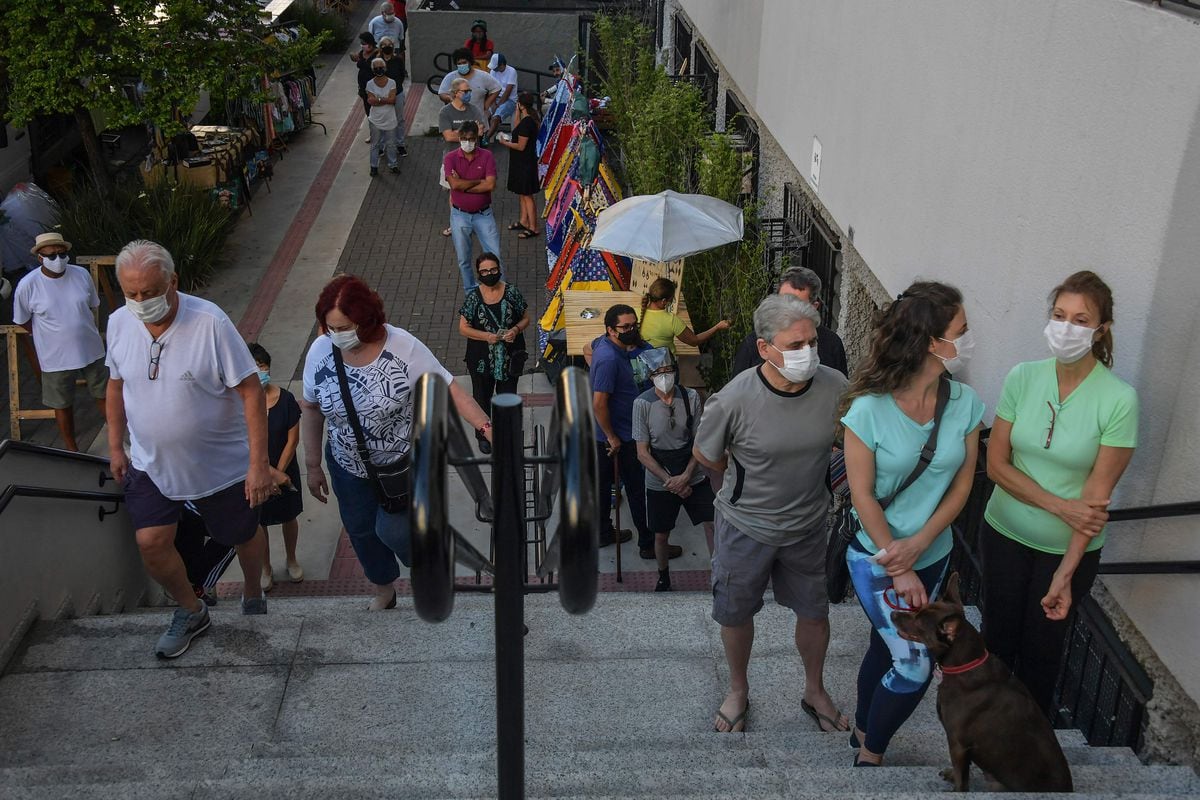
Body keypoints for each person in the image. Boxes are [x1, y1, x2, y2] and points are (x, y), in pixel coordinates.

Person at [105, 240, 285, 658]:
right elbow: (116, 385)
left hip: (218, 468)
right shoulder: (118, 323)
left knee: (240, 533)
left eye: (149, 292)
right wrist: (116, 447)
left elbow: (250, 391)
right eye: (131, 293)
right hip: (150, 464)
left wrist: (258, 465)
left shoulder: (210, 322)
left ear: (173, 282)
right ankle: (191, 609)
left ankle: (253, 592)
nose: (140, 302)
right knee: (151, 542)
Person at [839, 281, 985, 765]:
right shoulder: (869, 410)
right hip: (877, 558)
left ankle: (862, 729)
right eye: (961, 331)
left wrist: (921, 544)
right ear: (930, 342)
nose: (968, 339)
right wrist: (899, 564)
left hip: (932, 554)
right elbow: (861, 494)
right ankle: (871, 755)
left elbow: (962, 486)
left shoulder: (964, 403)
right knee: (914, 664)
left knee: (885, 651)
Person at [692, 294, 849, 734]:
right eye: (795, 345)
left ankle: (814, 690)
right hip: (746, 527)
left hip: (808, 526)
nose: (808, 354)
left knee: (816, 613)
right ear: (765, 348)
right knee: (736, 613)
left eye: (812, 342)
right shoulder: (733, 399)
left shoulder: (836, 386)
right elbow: (707, 456)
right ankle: (738, 689)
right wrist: (747, 485)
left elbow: (846, 440)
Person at [982, 271, 1137, 715]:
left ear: (1101, 329)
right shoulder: (1023, 377)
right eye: (1058, 315)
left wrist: (1065, 575)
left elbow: (1095, 499)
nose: (1066, 328)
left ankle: (1027, 753)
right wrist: (1059, 505)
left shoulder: (1119, 400)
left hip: (1065, 554)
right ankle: (986, 735)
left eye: (1080, 319)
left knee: (1042, 653)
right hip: (1002, 535)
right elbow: (996, 465)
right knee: (996, 643)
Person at [301, 276, 493, 611]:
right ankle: (384, 588)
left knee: (394, 531)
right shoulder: (320, 351)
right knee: (360, 531)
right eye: (329, 327)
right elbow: (311, 408)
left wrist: (487, 428)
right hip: (346, 465)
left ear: (367, 320)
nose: (336, 334)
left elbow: (451, 391)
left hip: (400, 464)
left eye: (344, 326)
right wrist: (313, 463)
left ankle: (427, 565)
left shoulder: (402, 346)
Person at [590, 304, 682, 561]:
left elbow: (589, 348)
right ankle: (648, 544)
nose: (631, 330)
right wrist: (612, 437)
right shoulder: (609, 359)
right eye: (625, 327)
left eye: (634, 325)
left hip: (608, 432)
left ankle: (603, 532)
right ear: (611, 330)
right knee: (637, 489)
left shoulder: (604, 345)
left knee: (602, 486)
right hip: (620, 435)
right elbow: (599, 402)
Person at [11, 232, 107, 452]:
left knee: (104, 394)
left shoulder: (81, 274)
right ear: (39, 258)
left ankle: (120, 435)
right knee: (62, 404)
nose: (58, 260)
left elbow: (92, 304)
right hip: (55, 357)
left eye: (62, 254)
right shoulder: (28, 285)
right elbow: (23, 321)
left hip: (91, 349)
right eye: (51, 256)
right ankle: (71, 449)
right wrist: (50, 336)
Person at [633, 348, 714, 592]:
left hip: (692, 472)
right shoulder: (642, 403)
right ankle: (663, 575)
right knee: (660, 533)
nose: (664, 376)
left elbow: (700, 441)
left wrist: (687, 476)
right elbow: (642, 452)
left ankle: (721, 569)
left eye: (668, 370)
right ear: (650, 376)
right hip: (661, 477)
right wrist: (671, 481)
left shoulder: (690, 397)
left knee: (713, 523)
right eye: (659, 372)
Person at [458, 253, 530, 455]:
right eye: (484, 271)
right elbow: (463, 328)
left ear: (499, 269)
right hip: (481, 358)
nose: (489, 274)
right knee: (482, 396)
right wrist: (485, 336)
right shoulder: (474, 297)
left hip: (510, 357)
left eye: (493, 270)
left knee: (508, 397)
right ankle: (483, 435)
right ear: (479, 274)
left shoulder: (512, 292)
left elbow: (526, 318)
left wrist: (515, 330)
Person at [248, 343, 304, 592]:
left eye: (261, 366)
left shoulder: (286, 399)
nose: (259, 371)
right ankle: (266, 568)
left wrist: (279, 474)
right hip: (256, 473)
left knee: (288, 516)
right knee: (260, 522)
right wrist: (269, 475)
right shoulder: (241, 404)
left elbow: (293, 440)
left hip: (285, 472)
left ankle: (292, 559)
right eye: (253, 367)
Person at [732, 266, 848, 377]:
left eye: (797, 305)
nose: (787, 308)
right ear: (763, 348)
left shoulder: (832, 344)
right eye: (783, 301)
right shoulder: (754, 343)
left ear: (814, 307)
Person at [444, 121, 502, 292]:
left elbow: (490, 185)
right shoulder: (450, 158)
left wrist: (464, 183)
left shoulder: (487, 156)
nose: (467, 142)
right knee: (463, 258)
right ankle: (471, 291)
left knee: (495, 255)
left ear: (477, 138)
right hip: (459, 215)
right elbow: (454, 185)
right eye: (463, 139)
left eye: (470, 139)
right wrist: (478, 181)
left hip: (483, 214)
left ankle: (499, 290)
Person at [438, 79, 488, 238]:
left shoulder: (474, 110)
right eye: (465, 91)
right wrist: (469, 132)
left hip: (474, 160)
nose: (469, 94)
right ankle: (456, 224)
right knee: (454, 194)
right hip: (453, 161)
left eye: (469, 91)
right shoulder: (445, 112)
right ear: (455, 93)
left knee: (473, 192)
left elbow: (480, 132)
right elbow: (448, 136)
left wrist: (457, 133)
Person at [638, 277, 730, 355]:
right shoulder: (671, 320)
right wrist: (717, 327)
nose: (671, 302)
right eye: (671, 300)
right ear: (664, 301)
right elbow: (695, 341)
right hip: (664, 369)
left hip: (641, 365)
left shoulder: (636, 313)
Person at [497, 91, 541, 238]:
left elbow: (520, 146)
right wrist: (517, 111)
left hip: (524, 164)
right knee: (522, 193)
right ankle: (524, 221)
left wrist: (505, 143)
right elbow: (516, 128)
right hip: (522, 163)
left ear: (521, 104)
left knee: (527, 195)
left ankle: (533, 227)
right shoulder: (528, 120)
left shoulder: (527, 124)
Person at [437, 48, 500, 122]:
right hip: (457, 121)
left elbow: (497, 88)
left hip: (478, 121)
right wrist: (451, 99)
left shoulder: (483, 76)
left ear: (470, 62)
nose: (462, 65)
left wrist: (486, 105)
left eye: (464, 62)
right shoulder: (450, 77)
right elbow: (442, 93)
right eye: (459, 64)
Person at [365, 57, 399, 177]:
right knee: (375, 144)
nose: (379, 69)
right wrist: (385, 99)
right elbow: (370, 101)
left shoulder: (392, 82)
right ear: (373, 69)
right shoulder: (369, 84)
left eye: (381, 67)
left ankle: (393, 165)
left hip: (389, 118)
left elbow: (392, 100)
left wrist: (378, 99)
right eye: (376, 68)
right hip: (375, 119)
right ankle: (373, 167)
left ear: (385, 68)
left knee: (391, 143)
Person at [378, 36, 408, 157]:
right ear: (380, 48)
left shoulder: (398, 60)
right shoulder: (377, 62)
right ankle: (382, 145)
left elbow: (401, 75)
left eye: (389, 45)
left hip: (397, 94)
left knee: (399, 120)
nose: (387, 47)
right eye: (384, 45)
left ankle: (400, 144)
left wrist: (395, 90)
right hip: (382, 96)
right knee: (383, 121)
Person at [485, 53, 518, 145]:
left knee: (496, 117)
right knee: (485, 113)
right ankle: (483, 134)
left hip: (510, 100)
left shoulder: (511, 71)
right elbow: (491, 88)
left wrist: (498, 105)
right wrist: (492, 103)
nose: (494, 70)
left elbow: (508, 92)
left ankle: (486, 138)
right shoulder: (493, 71)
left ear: (502, 64)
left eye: (496, 67)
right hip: (495, 97)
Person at [351, 32, 378, 140]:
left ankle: (379, 134)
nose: (362, 45)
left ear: (370, 43)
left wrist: (360, 62)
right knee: (369, 113)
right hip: (363, 88)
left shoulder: (377, 54)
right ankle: (373, 134)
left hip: (374, 89)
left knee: (376, 111)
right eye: (361, 43)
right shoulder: (362, 53)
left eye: (364, 43)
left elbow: (370, 67)